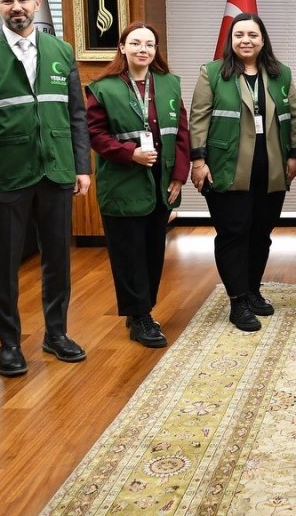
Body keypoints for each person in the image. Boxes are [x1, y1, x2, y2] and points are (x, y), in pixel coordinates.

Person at [0, 0, 92, 377]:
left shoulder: (62, 51)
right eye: (6, 0)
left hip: (56, 171)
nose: (16, 7)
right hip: (4, 176)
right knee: (4, 263)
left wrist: (81, 167)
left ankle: (57, 333)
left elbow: (76, 115)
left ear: (35, 3)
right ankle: (10, 344)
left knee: (57, 261)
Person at [190, 12, 296, 331]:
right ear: (231, 40)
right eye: (239, 35)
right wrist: (198, 160)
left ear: (262, 40)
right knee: (233, 233)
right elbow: (198, 119)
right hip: (226, 170)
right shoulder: (212, 73)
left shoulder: (281, 74)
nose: (246, 40)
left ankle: (253, 290)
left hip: (271, 171)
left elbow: (295, 116)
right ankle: (237, 301)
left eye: (253, 35)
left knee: (260, 235)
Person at [86, 21, 190, 348]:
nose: (142, 49)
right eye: (135, 43)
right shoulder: (102, 88)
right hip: (122, 181)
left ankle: (142, 309)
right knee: (128, 253)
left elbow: (182, 133)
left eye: (149, 44)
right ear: (122, 47)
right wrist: (130, 154)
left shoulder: (169, 84)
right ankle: (140, 316)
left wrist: (178, 176)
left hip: (161, 182)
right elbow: (94, 134)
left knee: (152, 252)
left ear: (155, 51)